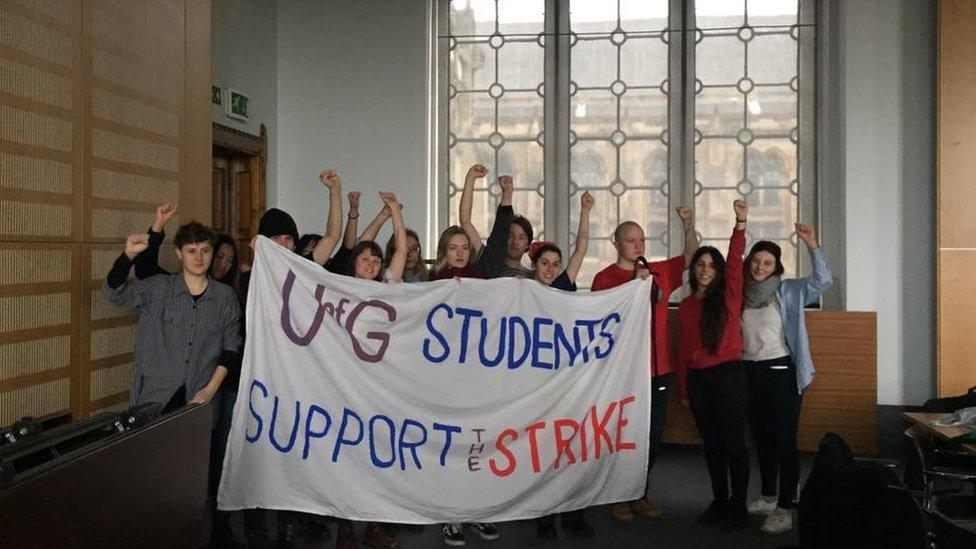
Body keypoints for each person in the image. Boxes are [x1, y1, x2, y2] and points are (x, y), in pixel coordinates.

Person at [590, 205, 697, 522]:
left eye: (641, 240)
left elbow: (690, 257)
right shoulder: (604, 278)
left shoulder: (659, 270)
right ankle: (617, 495)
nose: (638, 245)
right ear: (616, 243)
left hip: (657, 369)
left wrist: (688, 224)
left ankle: (639, 493)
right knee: (622, 435)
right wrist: (633, 287)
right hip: (623, 371)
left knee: (650, 438)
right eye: (630, 240)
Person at [741, 223, 832, 534]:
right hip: (749, 372)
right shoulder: (740, 292)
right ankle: (768, 496)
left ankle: (786, 506)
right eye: (756, 260)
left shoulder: (789, 290)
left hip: (781, 372)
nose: (760, 267)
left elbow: (824, 280)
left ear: (776, 266)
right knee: (761, 439)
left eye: (767, 262)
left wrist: (812, 244)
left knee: (783, 441)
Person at [103, 221, 241, 411]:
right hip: (153, 397)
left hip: (200, 401)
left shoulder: (226, 297)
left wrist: (210, 390)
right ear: (179, 252)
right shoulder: (159, 287)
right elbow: (113, 293)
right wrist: (128, 256)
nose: (199, 257)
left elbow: (231, 347)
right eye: (191, 251)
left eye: (205, 250)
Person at [677, 199, 749, 529]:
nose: (704, 269)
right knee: (712, 444)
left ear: (717, 272)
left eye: (710, 265)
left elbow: (735, 261)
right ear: (694, 270)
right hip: (698, 380)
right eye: (700, 264)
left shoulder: (730, 296)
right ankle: (720, 500)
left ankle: (738, 504)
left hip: (728, 377)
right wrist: (683, 388)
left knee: (733, 442)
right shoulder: (688, 304)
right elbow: (684, 351)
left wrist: (739, 223)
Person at [530, 191, 596, 540]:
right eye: (545, 263)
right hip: (537, 384)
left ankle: (574, 513)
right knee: (543, 451)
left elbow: (581, 248)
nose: (552, 268)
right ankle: (543, 517)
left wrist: (584, 211)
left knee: (572, 447)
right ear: (534, 266)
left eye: (556, 264)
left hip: (568, 381)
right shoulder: (521, 292)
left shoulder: (563, 287)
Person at [457, 164, 519, 279]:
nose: (514, 241)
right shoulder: (489, 262)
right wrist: (471, 178)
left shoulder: (529, 277)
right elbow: (465, 221)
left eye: (521, 237)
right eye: (510, 235)